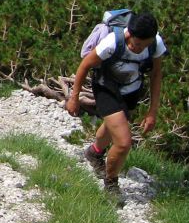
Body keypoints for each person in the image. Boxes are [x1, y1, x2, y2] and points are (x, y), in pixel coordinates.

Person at [65, 12, 166, 201]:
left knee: (113, 128)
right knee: (123, 142)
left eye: (144, 45)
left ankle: (94, 153)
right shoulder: (112, 42)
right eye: (136, 44)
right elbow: (85, 65)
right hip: (106, 87)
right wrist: (74, 97)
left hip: (132, 89)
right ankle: (111, 183)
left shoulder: (155, 44)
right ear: (129, 34)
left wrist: (153, 111)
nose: (139, 49)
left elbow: (156, 74)